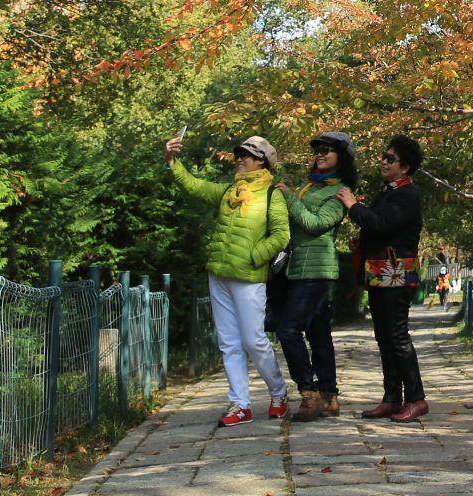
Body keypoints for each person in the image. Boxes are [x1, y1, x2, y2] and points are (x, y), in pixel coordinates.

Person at [165, 132, 291, 426]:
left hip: (248, 276)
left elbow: (281, 235)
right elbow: (194, 186)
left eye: (246, 155)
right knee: (229, 343)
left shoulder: (272, 195)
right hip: (218, 274)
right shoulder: (227, 191)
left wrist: (252, 255)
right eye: (240, 154)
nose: (240, 159)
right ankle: (239, 404)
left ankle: (278, 393)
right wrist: (172, 161)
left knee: (254, 340)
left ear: (262, 162)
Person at [340, 134, 425, 421]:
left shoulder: (407, 194)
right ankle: (392, 398)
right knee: (384, 337)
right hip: (380, 273)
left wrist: (353, 206)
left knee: (397, 335)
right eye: (384, 156)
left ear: (406, 167)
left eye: (391, 159)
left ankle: (416, 398)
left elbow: (380, 225)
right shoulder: (389, 191)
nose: (383, 161)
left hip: (396, 273)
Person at [276, 130, 355, 422]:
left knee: (288, 329)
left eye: (327, 150)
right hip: (298, 267)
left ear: (341, 157)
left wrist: (288, 198)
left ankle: (308, 393)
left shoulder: (340, 192)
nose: (320, 154)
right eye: (318, 150)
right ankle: (329, 397)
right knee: (319, 334)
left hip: (317, 269)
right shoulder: (308, 187)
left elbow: (316, 224)